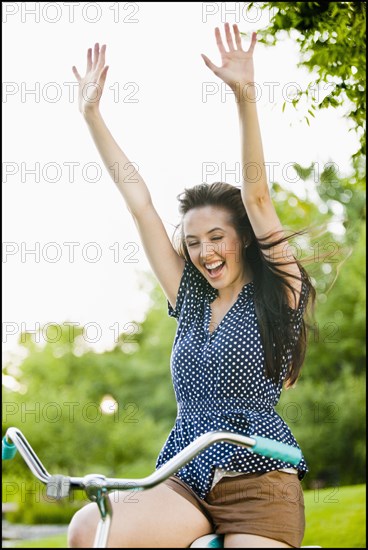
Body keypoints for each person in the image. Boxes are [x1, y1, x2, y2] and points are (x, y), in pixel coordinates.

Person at [68, 23, 315, 549]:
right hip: (184, 479)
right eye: (195, 241)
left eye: (217, 238)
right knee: (90, 529)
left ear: (244, 239)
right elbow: (140, 205)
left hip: (259, 482)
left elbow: (259, 197)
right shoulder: (191, 297)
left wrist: (245, 96)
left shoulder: (278, 294)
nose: (204, 252)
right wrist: (92, 116)